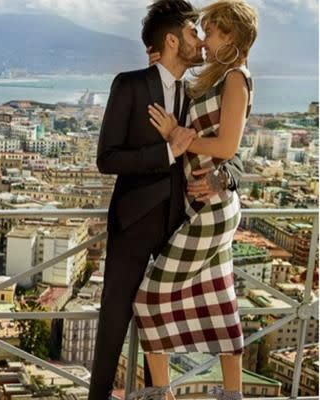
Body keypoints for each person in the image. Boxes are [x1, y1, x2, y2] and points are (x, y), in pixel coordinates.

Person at [89, 1, 245, 399]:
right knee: (115, 320)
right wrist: (168, 152)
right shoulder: (130, 84)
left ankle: (156, 394)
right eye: (195, 32)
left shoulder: (199, 92)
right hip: (134, 221)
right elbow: (106, 158)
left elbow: (231, 151)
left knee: (156, 313)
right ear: (173, 41)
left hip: (182, 221)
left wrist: (221, 178)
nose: (201, 41)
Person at [129, 1, 258, 400]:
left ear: (231, 37)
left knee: (148, 298)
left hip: (213, 210)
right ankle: (232, 393)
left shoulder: (236, 78)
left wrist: (176, 135)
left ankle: (160, 393)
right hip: (203, 204)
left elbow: (227, 144)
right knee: (220, 298)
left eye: (212, 31)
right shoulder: (215, 78)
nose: (204, 38)